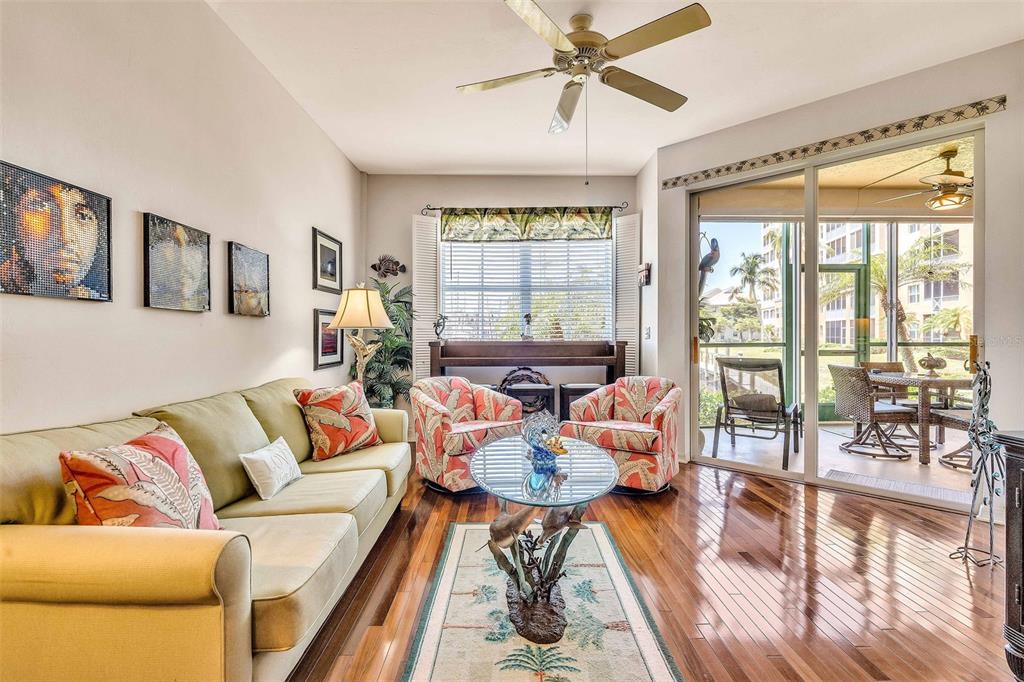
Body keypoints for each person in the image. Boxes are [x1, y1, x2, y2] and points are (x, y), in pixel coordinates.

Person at [0, 167, 107, 299]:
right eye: (40, 206)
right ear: (11, 220)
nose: (65, 236)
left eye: (83, 216)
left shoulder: (93, 299)